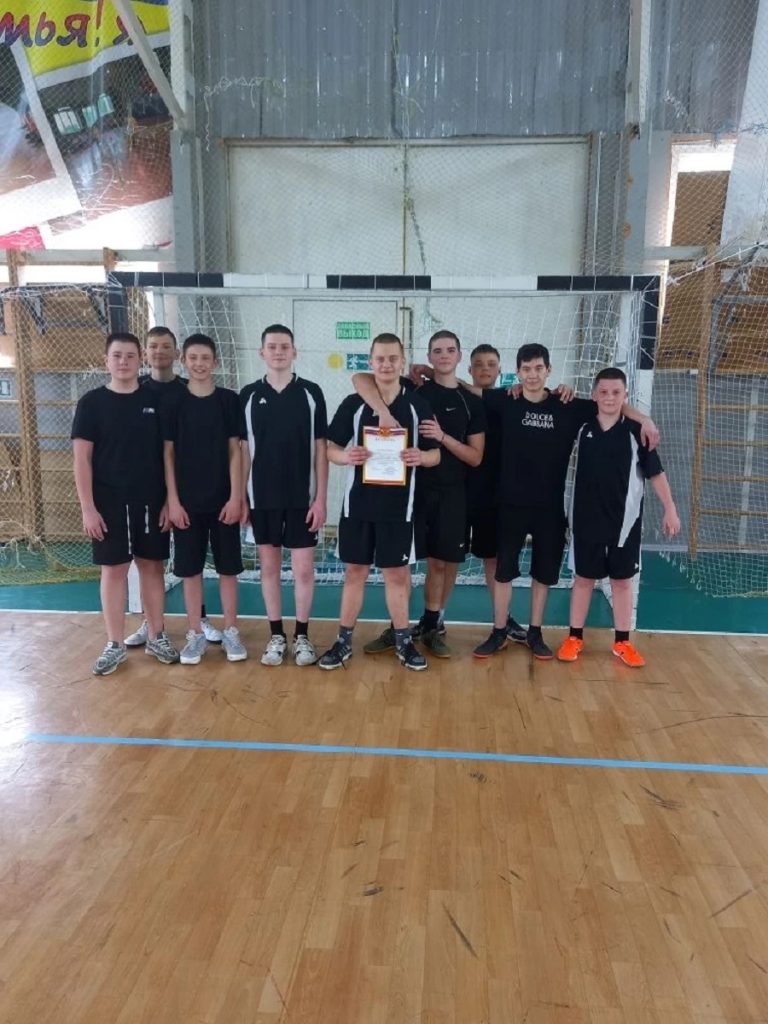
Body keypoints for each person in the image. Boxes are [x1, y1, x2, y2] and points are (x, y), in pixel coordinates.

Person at [472, 343, 660, 661]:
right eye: (526, 369)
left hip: (549, 509)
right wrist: (429, 373)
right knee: (504, 572)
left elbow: (609, 403)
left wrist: (645, 419)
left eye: (538, 368)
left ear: (548, 370)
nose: (532, 375)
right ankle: (499, 631)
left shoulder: (566, 405)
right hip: (510, 506)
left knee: (543, 574)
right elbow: (468, 390)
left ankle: (535, 632)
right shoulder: (506, 400)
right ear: (517, 373)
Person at [353, 331, 486, 657]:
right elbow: (359, 378)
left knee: (441, 563)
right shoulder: (414, 389)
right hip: (411, 491)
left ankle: (432, 624)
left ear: (459, 355)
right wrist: (386, 408)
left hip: (452, 493)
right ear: (429, 356)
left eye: (450, 350)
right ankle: (398, 627)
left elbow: (475, 457)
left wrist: (442, 436)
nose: (444, 356)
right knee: (400, 567)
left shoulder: (471, 402)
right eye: (437, 351)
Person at [318, 333, 440, 672]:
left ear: (402, 362)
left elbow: (436, 454)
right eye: (380, 359)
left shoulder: (417, 405)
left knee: (397, 576)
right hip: (357, 507)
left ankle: (403, 641)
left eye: (392, 358)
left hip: (400, 509)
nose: (386, 364)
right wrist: (346, 456)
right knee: (354, 573)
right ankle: (343, 641)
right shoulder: (353, 404)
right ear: (371, 362)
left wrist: (421, 457)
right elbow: (329, 449)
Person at [72, 331, 180, 675]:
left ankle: (157, 635)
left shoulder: (156, 402)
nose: (123, 361)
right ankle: (115, 644)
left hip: (150, 501)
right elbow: (82, 459)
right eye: (117, 355)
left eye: (130, 355)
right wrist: (88, 508)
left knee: (152, 566)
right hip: (108, 503)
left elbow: (167, 456)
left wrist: (169, 500)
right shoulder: (91, 403)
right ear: (106, 360)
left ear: (140, 359)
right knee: (114, 569)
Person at [557, 368, 680, 667]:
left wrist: (670, 508)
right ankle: (574, 637)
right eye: (604, 392)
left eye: (616, 392)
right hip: (586, 522)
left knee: (622, 582)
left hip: (624, 524)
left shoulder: (637, 432)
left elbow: (656, 473)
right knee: (583, 579)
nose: (609, 398)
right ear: (594, 394)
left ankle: (622, 642)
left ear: (625, 396)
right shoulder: (582, 424)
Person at [125, 325, 223, 647]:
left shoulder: (188, 391)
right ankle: (152, 623)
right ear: (146, 353)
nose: (159, 351)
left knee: (193, 558)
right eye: (153, 346)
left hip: (185, 493)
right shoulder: (136, 390)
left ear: (176, 353)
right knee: (149, 561)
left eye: (165, 346)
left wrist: (174, 497)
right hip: (145, 490)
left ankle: (200, 619)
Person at [240, 324, 328, 667]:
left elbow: (321, 450)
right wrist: (241, 497)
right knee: (269, 569)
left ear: (294, 352)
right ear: (262, 352)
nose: (278, 352)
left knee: (304, 571)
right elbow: (243, 452)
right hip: (262, 499)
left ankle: (302, 635)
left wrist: (320, 499)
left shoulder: (311, 393)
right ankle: (276, 635)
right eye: (272, 347)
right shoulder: (248, 395)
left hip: (302, 500)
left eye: (284, 346)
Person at [163, 334, 248, 664]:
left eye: (205, 358)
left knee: (228, 569)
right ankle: (196, 633)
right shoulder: (174, 402)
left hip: (223, 502)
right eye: (193, 358)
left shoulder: (228, 400)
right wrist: (173, 501)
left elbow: (236, 451)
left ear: (215, 362)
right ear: (183, 360)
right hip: (187, 504)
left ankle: (231, 631)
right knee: (190, 571)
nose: (199, 364)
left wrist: (236, 497)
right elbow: (168, 454)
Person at [464, 344, 527, 643]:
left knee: (494, 559)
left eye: (491, 364)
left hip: (495, 495)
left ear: (501, 370)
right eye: (478, 364)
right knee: (442, 560)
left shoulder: (511, 399)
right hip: (459, 491)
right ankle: (433, 620)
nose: (485, 369)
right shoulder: (459, 397)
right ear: (469, 370)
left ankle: (503, 618)